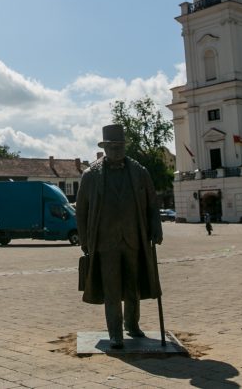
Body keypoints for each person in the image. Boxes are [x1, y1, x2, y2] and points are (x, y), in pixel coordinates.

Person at [76, 124, 163, 350]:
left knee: (132, 285)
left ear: (124, 146)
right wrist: (85, 240)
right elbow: (81, 211)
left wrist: (156, 227)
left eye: (120, 146)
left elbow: (153, 204)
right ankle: (115, 333)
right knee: (111, 288)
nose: (116, 151)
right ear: (105, 147)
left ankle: (132, 325)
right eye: (112, 147)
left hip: (134, 238)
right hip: (105, 242)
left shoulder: (139, 171)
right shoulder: (90, 175)